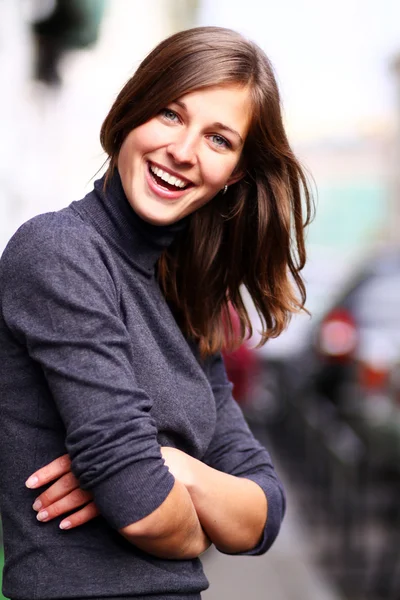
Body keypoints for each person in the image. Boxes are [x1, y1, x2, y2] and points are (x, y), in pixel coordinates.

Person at [0, 26, 312, 600]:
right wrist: (194, 518)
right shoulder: (60, 252)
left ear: (236, 175)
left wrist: (176, 464)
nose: (184, 152)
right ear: (133, 110)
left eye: (219, 139)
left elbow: (265, 508)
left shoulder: (186, 301)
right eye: (170, 114)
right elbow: (140, 504)